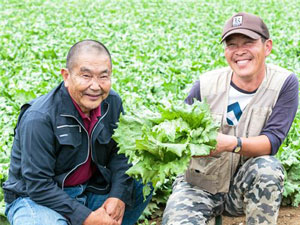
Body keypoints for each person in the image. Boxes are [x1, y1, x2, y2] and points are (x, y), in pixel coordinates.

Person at [162, 12, 299, 225]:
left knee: (268, 168)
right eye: (232, 44)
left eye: (249, 42)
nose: (239, 51)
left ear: (267, 46)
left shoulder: (284, 84)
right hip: (199, 185)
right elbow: (176, 130)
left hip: (243, 186)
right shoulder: (206, 85)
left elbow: (272, 141)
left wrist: (230, 144)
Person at [3, 40, 151, 225]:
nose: (95, 86)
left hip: (89, 189)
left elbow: (120, 154)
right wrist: (86, 218)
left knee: (141, 183)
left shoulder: (112, 103)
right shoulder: (39, 117)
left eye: (103, 77)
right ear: (66, 76)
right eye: (86, 76)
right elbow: (38, 185)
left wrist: (117, 196)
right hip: (36, 200)